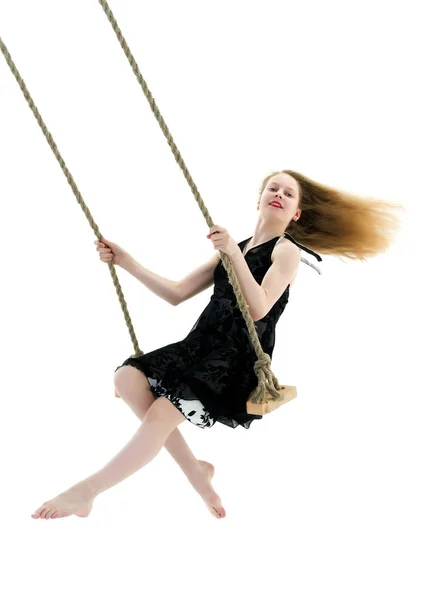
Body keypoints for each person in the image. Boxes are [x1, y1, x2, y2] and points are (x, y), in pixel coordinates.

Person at [30, 170, 404, 521]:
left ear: (296, 214)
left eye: (289, 194)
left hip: (234, 357)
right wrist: (127, 262)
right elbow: (177, 293)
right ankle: (196, 471)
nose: (279, 194)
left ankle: (87, 491)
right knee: (127, 378)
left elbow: (258, 309)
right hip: (201, 343)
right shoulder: (235, 247)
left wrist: (234, 254)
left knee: (161, 415)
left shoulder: (286, 250)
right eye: (273, 188)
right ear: (259, 199)